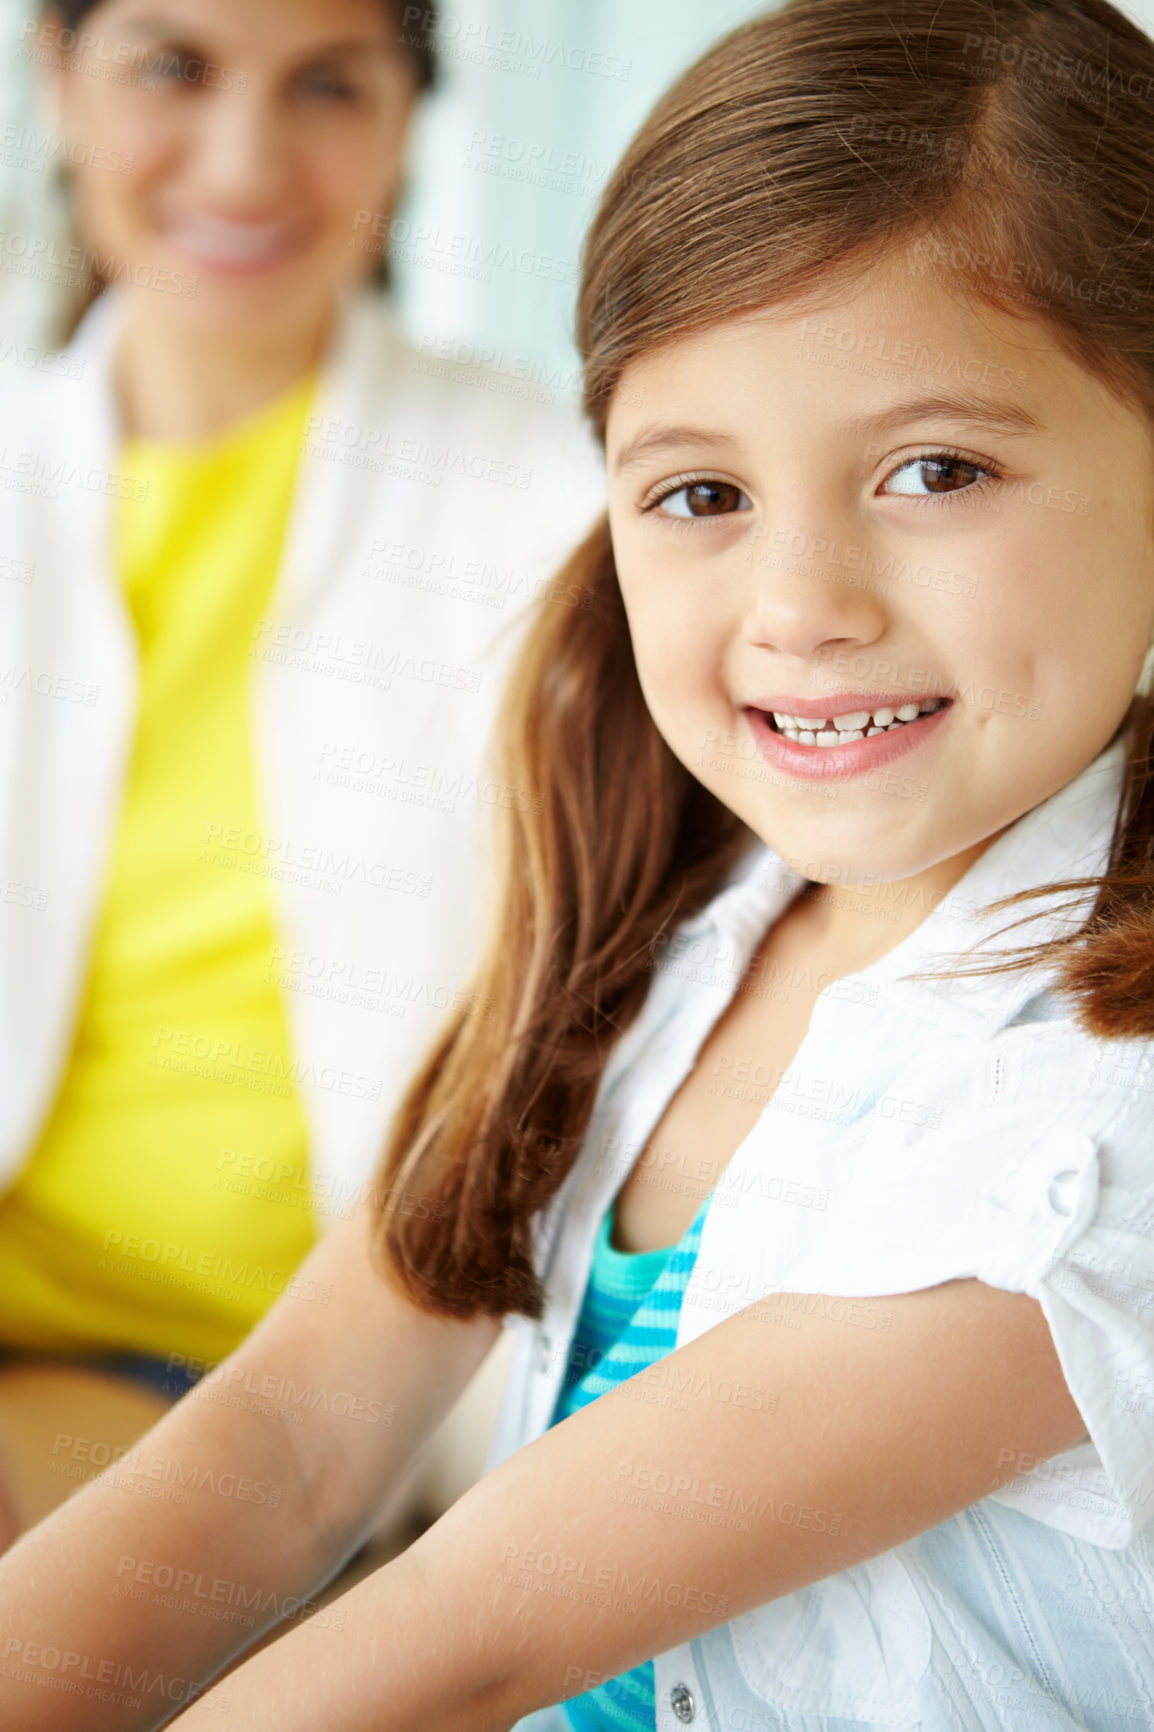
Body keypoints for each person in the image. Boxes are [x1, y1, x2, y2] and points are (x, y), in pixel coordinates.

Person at [4, 0, 1154, 1725]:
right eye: (700, 495)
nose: (799, 608)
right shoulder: (679, 915)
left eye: (935, 470)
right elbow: (291, 1435)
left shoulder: (1103, 1097)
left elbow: (469, 1639)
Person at [0, 0, 600, 1546]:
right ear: (56, 77)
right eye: (173, 67)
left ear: (409, 116)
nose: (245, 161)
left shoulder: (561, 503)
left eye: (328, 84)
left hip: (254, 1382)